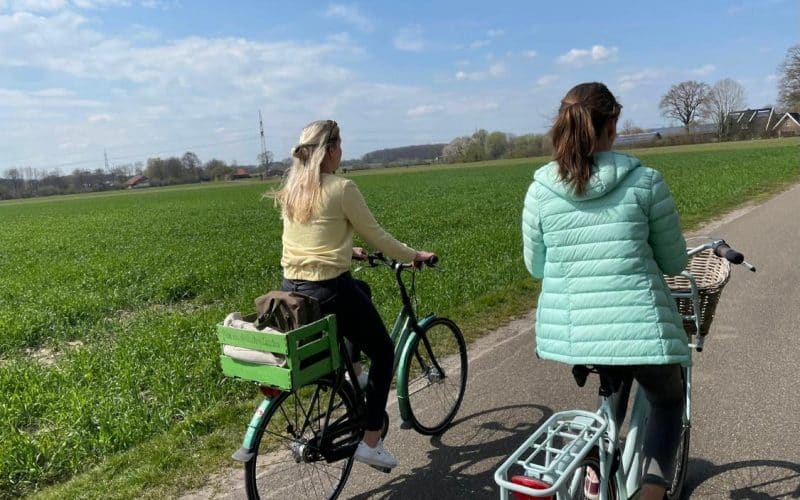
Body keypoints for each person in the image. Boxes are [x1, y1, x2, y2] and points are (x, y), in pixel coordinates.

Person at [522, 83, 689, 500]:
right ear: (612, 124)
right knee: (669, 399)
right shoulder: (645, 181)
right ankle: (651, 493)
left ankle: (596, 470)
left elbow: (536, 266)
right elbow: (673, 263)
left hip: (574, 334)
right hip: (639, 328)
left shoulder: (540, 189)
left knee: (609, 381)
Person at [273, 119, 435, 470]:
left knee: (361, 289)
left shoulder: (294, 189)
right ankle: (371, 440)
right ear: (330, 150)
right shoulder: (341, 187)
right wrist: (415, 256)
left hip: (292, 290)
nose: (342, 152)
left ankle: (354, 372)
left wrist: (348, 251)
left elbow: (311, 241)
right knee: (385, 351)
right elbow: (378, 236)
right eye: (340, 146)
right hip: (329, 289)